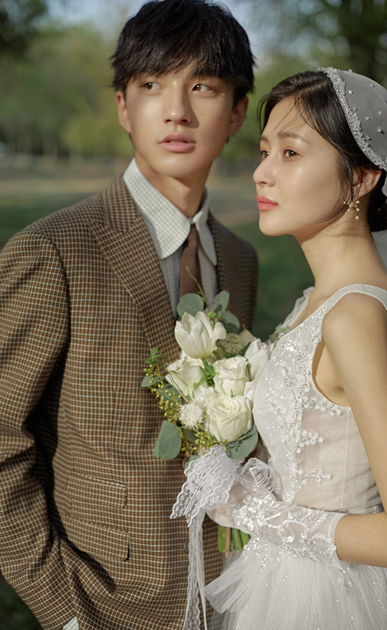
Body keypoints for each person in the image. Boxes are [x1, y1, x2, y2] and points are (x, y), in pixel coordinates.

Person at [0, 1, 258, 629]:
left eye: (203, 86)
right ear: (123, 107)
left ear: (237, 113)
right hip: (102, 601)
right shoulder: (54, 252)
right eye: (151, 85)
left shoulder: (241, 259)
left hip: (230, 596)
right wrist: (66, 614)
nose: (177, 110)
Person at [190, 68, 387, 629]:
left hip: (331, 600)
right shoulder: (317, 303)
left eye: (290, 153)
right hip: (286, 581)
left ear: (361, 178)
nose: (262, 172)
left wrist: (256, 512)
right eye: (264, 151)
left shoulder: (353, 316)